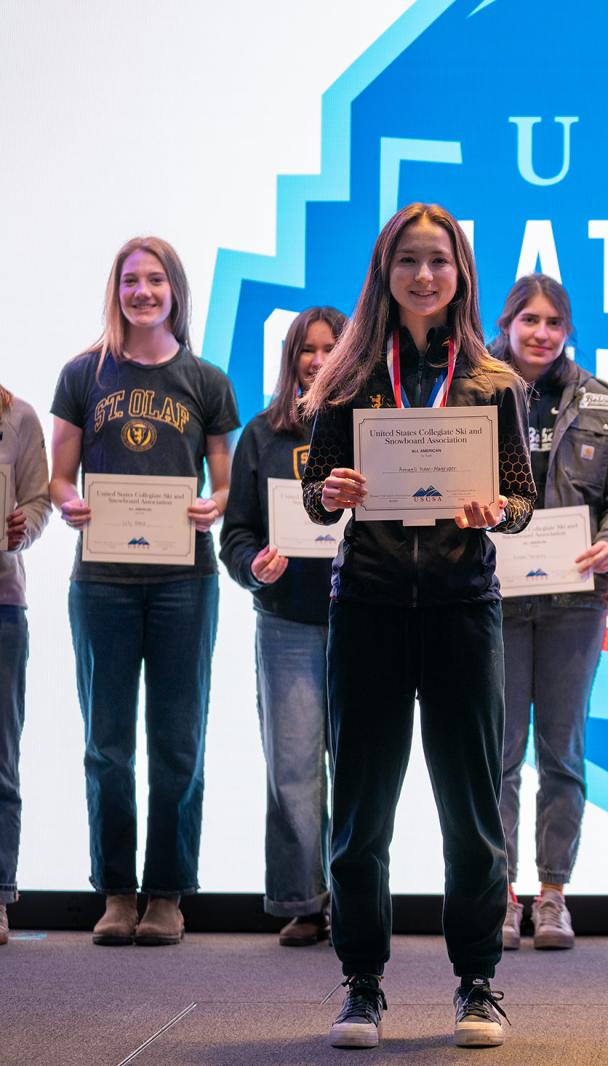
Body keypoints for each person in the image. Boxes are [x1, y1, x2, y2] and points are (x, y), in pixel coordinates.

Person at [299, 203, 535, 1049]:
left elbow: (520, 503)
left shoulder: (495, 383)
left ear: (462, 273)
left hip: (462, 610)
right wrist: (331, 495)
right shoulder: (350, 376)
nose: (426, 275)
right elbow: (315, 496)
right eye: (410, 260)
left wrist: (495, 508)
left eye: (440, 261)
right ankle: (361, 981)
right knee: (360, 809)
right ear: (385, 271)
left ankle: (477, 982)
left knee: (470, 808)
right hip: (364, 606)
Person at [49, 237, 239, 948]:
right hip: (101, 582)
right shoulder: (83, 374)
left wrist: (215, 505)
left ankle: (167, 893)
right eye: (131, 280)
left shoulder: (207, 380)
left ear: (175, 291)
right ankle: (117, 892)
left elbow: (224, 480)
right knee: (107, 744)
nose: (143, 292)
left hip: (184, 581)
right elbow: (60, 475)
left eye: (156, 280)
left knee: (178, 740)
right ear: (117, 291)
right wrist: (69, 502)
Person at [489, 273, 608, 951]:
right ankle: (498, 894)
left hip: (573, 606)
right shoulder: (474, 392)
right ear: (507, 323)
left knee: (563, 754)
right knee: (495, 757)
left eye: (554, 322)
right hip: (490, 604)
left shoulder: (603, 404)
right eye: (530, 320)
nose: (542, 333)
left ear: (568, 330)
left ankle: (552, 896)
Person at [220, 306, 347, 946]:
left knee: (358, 770)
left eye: (332, 348)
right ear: (291, 358)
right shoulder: (263, 435)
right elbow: (236, 534)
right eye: (307, 349)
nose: (319, 359)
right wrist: (254, 567)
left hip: (362, 618)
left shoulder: (368, 426)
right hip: (287, 623)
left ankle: (355, 901)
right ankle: (304, 901)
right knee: (294, 769)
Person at [0, 382, 50, 946]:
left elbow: (37, 501)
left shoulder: (18, 417)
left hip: (3, 605)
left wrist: (26, 527)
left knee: (0, 759)